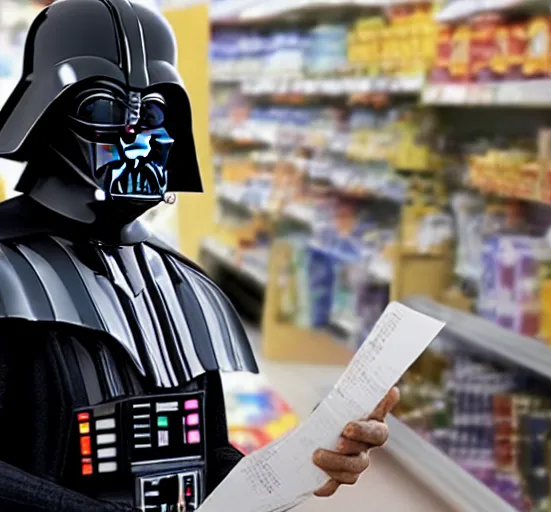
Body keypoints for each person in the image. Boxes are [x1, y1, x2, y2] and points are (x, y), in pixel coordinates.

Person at [0, 0, 399, 510]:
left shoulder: (178, 281)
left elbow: (201, 458)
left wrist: (304, 461)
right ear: (45, 115)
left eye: (156, 111)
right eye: (103, 108)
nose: (138, 140)